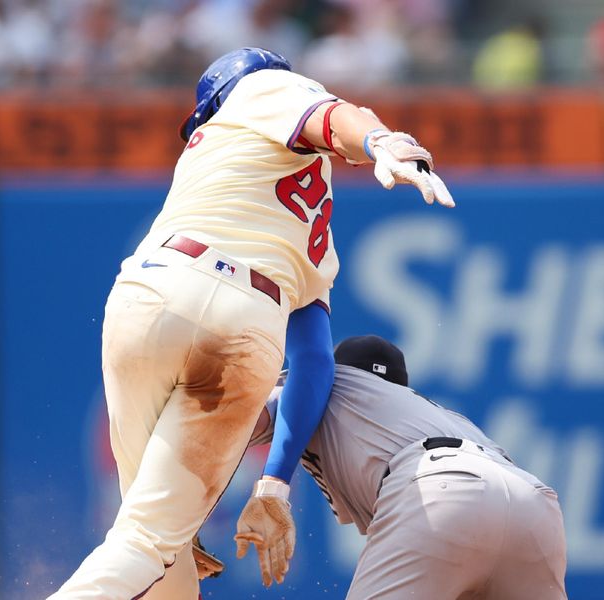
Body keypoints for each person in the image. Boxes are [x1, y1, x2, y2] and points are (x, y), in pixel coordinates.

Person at [48, 48, 454, 599]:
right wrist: (274, 485)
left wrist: (377, 137)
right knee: (150, 541)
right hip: (245, 316)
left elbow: (335, 116)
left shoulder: (256, 87)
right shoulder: (316, 225)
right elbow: (312, 363)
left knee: (148, 544)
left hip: (149, 290)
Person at [245, 335, 567, 599]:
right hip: (533, 502)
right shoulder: (433, 412)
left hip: (442, 487)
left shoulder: (323, 382)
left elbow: (238, 416)